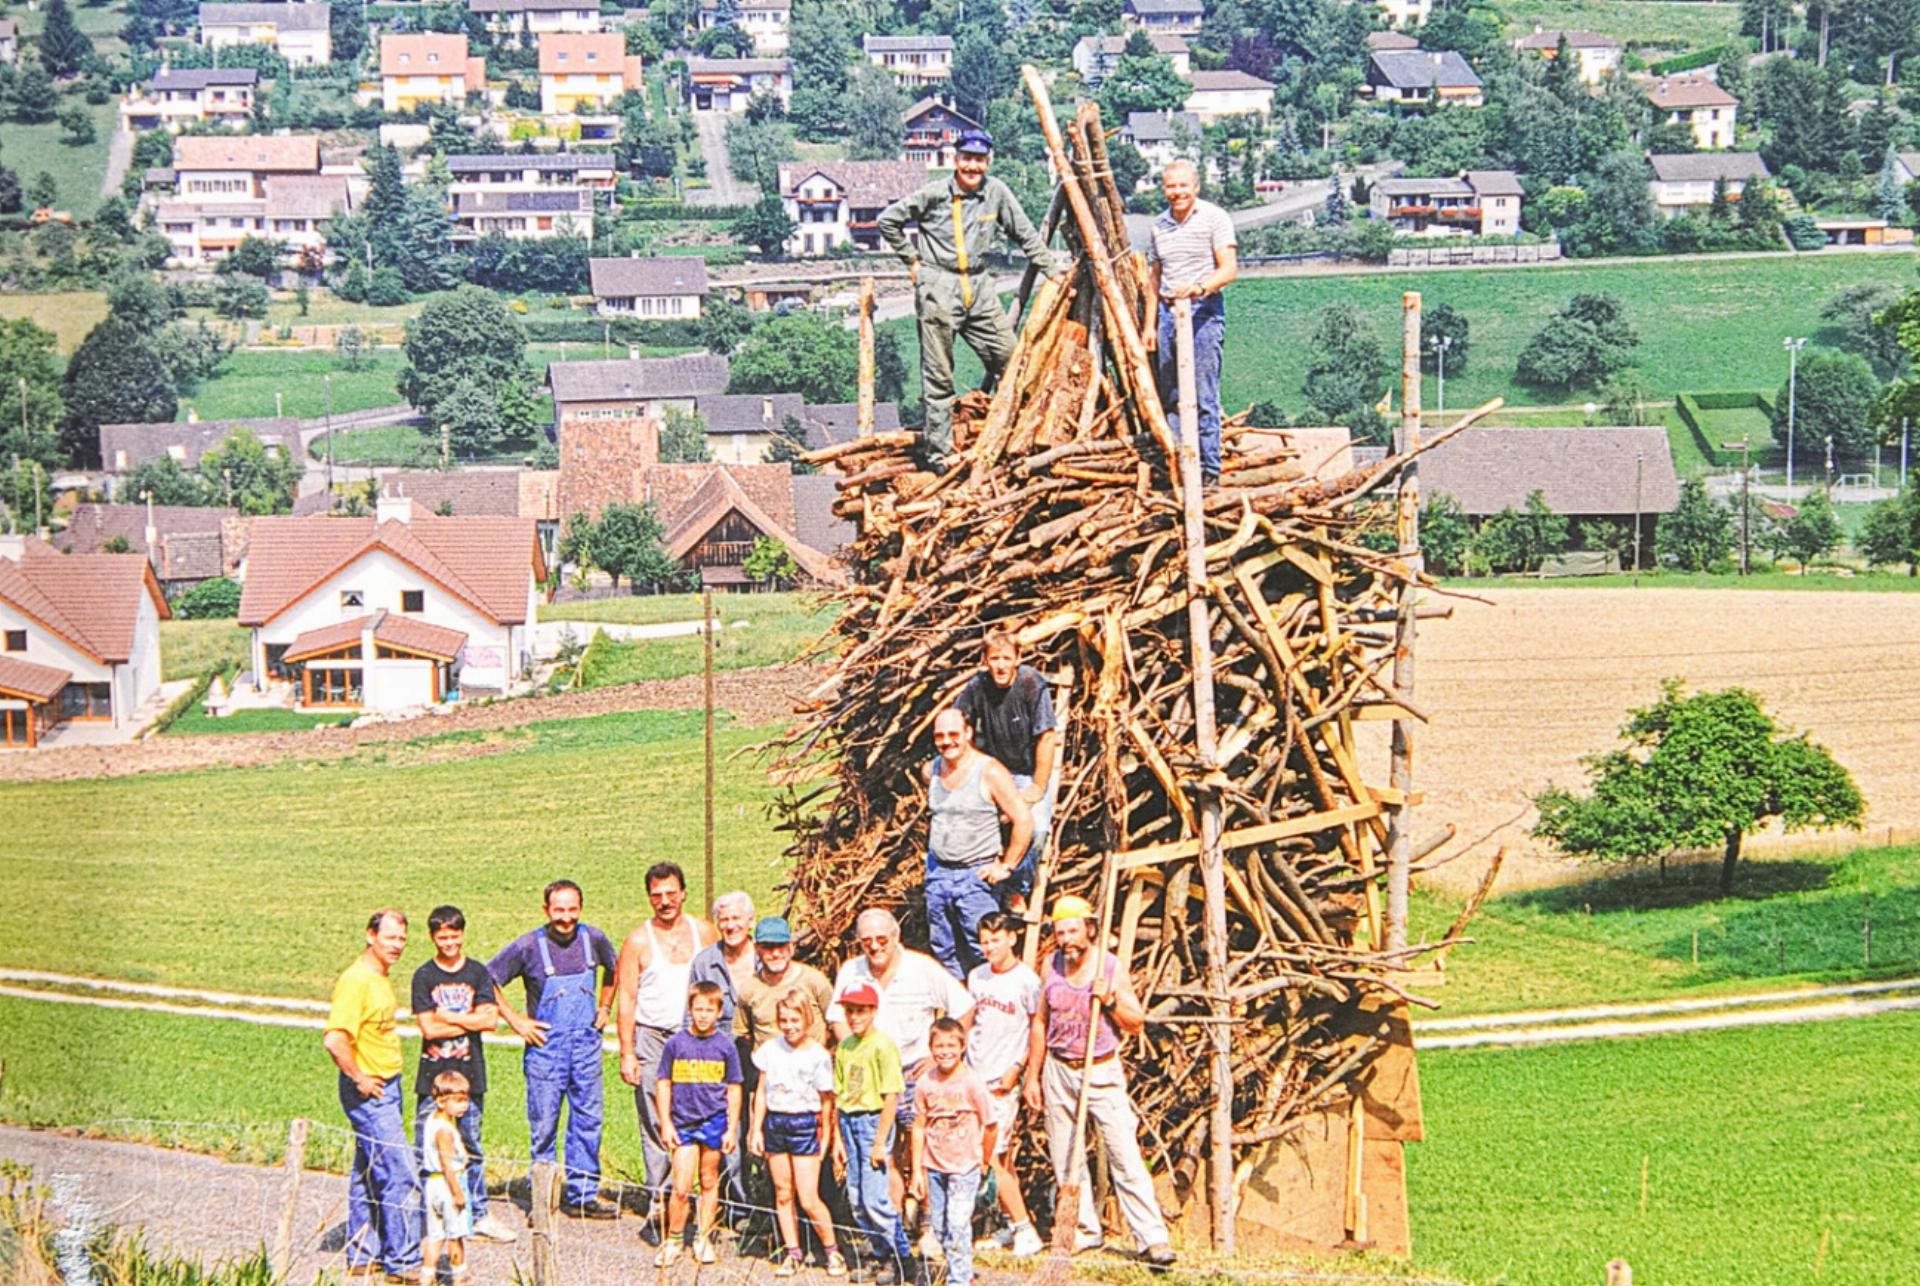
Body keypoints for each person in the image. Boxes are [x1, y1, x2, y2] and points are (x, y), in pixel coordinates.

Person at [877, 128, 1067, 472]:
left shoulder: (996, 193)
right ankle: (941, 454)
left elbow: (1025, 234)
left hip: (979, 287)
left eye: (979, 161)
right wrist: (913, 262)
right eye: (967, 159)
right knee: (939, 375)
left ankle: (1013, 436)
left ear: (987, 162)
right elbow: (887, 221)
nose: (973, 167)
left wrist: (1053, 271)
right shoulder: (934, 194)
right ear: (956, 160)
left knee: (1012, 360)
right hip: (939, 286)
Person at [1023, 897, 1177, 1267]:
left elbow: (1136, 1021)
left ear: (1090, 929)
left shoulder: (1109, 967)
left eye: (1073, 930)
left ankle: (1152, 1239)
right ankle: (1084, 1232)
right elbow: (1041, 1022)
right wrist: (1033, 1075)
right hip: (1059, 1069)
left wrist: (1107, 999)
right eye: (1060, 932)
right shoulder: (1051, 965)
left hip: (1101, 1069)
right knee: (1066, 1157)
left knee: (1124, 1154)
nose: (1066, 939)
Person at [827, 907, 975, 1265]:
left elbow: (964, 1007)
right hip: (872, 1076)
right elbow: (837, 1019)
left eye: (882, 939)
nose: (875, 947)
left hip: (915, 1072)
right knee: (885, 1155)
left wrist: (939, 1054)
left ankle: (928, 1228)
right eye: (867, 941)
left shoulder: (922, 968)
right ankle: (893, 1231)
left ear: (896, 937)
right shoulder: (852, 971)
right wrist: (859, 1055)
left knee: (925, 1148)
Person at [489, 880, 620, 1219]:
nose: (566, 917)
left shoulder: (594, 939)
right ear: (546, 910)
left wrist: (605, 1006)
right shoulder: (529, 946)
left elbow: (615, 968)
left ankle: (582, 1195)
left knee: (588, 1120)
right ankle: (543, 1200)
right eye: (558, 910)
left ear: (581, 908)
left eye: (572, 909)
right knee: (545, 1124)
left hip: (586, 1045)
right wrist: (517, 1021)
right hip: (547, 1048)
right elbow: (486, 978)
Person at [323, 909, 423, 1283]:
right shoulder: (356, 981)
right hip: (370, 1091)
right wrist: (360, 1078)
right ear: (370, 935)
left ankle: (364, 1255)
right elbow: (335, 1039)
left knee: (367, 1172)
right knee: (400, 1172)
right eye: (390, 938)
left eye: (402, 939)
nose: (397, 946)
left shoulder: (380, 977)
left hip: (388, 1085)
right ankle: (404, 1263)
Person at [615, 862, 717, 1228]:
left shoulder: (702, 931)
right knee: (655, 1115)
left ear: (683, 893)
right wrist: (627, 1051)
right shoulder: (638, 940)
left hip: (693, 1036)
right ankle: (659, 1195)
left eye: (671, 893)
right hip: (653, 1036)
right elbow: (626, 997)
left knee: (696, 1111)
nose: (664, 901)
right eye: (656, 895)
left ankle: (693, 1194)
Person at [410, 905, 514, 1245]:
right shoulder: (423, 976)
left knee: (470, 1144)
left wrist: (446, 1015)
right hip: (433, 1079)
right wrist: (466, 1017)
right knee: (426, 1146)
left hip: (469, 1076)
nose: (449, 942)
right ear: (432, 937)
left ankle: (479, 1213)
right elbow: (427, 1025)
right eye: (442, 936)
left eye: (454, 935)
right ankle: (425, 1213)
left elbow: (489, 1021)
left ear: (462, 934)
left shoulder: (477, 973)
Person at [1145, 158, 1239, 488]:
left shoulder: (1214, 218)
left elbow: (1229, 269)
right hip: (1169, 314)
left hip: (1204, 310)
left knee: (1203, 393)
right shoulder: (1159, 226)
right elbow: (1154, 278)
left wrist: (1199, 289)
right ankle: (1180, 466)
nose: (1177, 192)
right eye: (1171, 186)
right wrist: (1149, 326)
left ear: (1196, 187)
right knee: (1171, 393)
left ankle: (1209, 471)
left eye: (1183, 186)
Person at [953, 627, 1061, 915]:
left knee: (1036, 829)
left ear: (1017, 659)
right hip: (994, 770)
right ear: (985, 660)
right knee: (973, 824)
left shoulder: (1030, 683)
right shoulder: (978, 686)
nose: (1000, 665)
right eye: (994, 658)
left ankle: (1015, 888)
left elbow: (1047, 738)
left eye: (1006, 658)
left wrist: (1037, 787)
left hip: (1029, 771)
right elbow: (957, 721)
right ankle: (974, 886)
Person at [925, 706, 1032, 980]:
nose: (946, 741)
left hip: (975, 877)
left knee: (986, 948)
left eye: (953, 734)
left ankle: (994, 1007)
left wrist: (1006, 866)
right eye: (940, 736)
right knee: (944, 948)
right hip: (938, 875)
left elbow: (1023, 820)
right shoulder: (932, 771)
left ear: (968, 733)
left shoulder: (989, 772)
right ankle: (962, 1011)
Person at [749, 990, 845, 1279]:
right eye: (784, 1020)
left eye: (795, 1020)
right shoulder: (770, 1049)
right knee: (782, 1192)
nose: (789, 1026)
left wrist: (827, 1137)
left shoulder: (817, 1055)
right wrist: (756, 1129)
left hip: (805, 1125)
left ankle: (831, 1250)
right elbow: (762, 1092)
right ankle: (793, 1252)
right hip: (776, 1124)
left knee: (808, 1196)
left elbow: (828, 1101)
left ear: (807, 1019)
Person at [965, 912, 1043, 1258]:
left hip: (1002, 1081)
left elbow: (1037, 1029)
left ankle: (1026, 1229)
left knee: (992, 1157)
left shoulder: (1027, 981)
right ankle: (1010, 1226)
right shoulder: (977, 977)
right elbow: (969, 1024)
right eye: (984, 941)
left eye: (995, 940)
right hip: (975, 1078)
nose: (989, 947)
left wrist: (1020, 1068)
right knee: (1000, 1159)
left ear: (1012, 939)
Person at [654, 981, 743, 1268]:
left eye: (709, 1010)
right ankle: (675, 1238)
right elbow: (663, 1083)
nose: (703, 1015)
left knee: (708, 1179)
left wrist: (730, 1128)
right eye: (698, 1009)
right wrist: (666, 1123)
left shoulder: (725, 1047)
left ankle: (703, 1237)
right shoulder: (676, 1044)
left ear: (719, 1012)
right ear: (690, 1009)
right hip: (683, 1122)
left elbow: (734, 1088)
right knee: (681, 1186)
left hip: (714, 1121)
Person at [688, 891, 759, 1229]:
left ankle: (769, 1206)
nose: (731, 926)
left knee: (762, 1126)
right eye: (724, 920)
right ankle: (738, 1208)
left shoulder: (765, 957)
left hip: (759, 1049)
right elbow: (691, 1010)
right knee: (729, 1125)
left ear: (750, 922)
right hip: (718, 1051)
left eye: (737, 919)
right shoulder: (705, 961)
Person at [831, 983, 911, 1283]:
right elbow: (840, 1096)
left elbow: (891, 1095)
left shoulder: (882, 1046)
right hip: (850, 1122)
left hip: (872, 1121)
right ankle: (879, 1254)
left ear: (873, 1011)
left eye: (860, 1010)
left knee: (876, 1199)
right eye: (849, 1011)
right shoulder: (846, 1047)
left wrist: (880, 1142)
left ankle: (902, 1257)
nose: (854, 1017)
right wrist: (838, 1138)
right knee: (857, 1199)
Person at [910, 1018, 997, 1286]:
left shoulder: (971, 1083)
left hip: (965, 1166)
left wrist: (983, 1161)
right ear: (930, 1048)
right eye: (939, 1046)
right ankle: (961, 1270)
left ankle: (958, 1280)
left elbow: (991, 1124)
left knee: (958, 1223)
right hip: (935, 1165)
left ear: (962, 1047)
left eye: (951, 1045)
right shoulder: (926, 1083)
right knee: (940, 1225)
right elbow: (918, 1127)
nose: (945, 1051)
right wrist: (917, 1171)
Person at [736, 915, 833, 1052]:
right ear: (757, 949)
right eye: (768, 947)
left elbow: (835, 1023)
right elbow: (744, 1035)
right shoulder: (749, 988)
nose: (775, 953)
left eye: (780, 946)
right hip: (769, 1070)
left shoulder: (815, 981)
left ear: (790, 947)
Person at [419, 1070, 474, 1286]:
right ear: (442, 1101)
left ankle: (427, 1275)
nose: (464, 1106)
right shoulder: (444, 1131)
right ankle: (460, 1276)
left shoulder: (433, 1121)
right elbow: (446, 1164)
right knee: (455, 1235)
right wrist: (457, 1192)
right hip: (448, 1185)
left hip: (432, 1184)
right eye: (458, 1101)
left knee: (435, 1235)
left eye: (465, 1100)